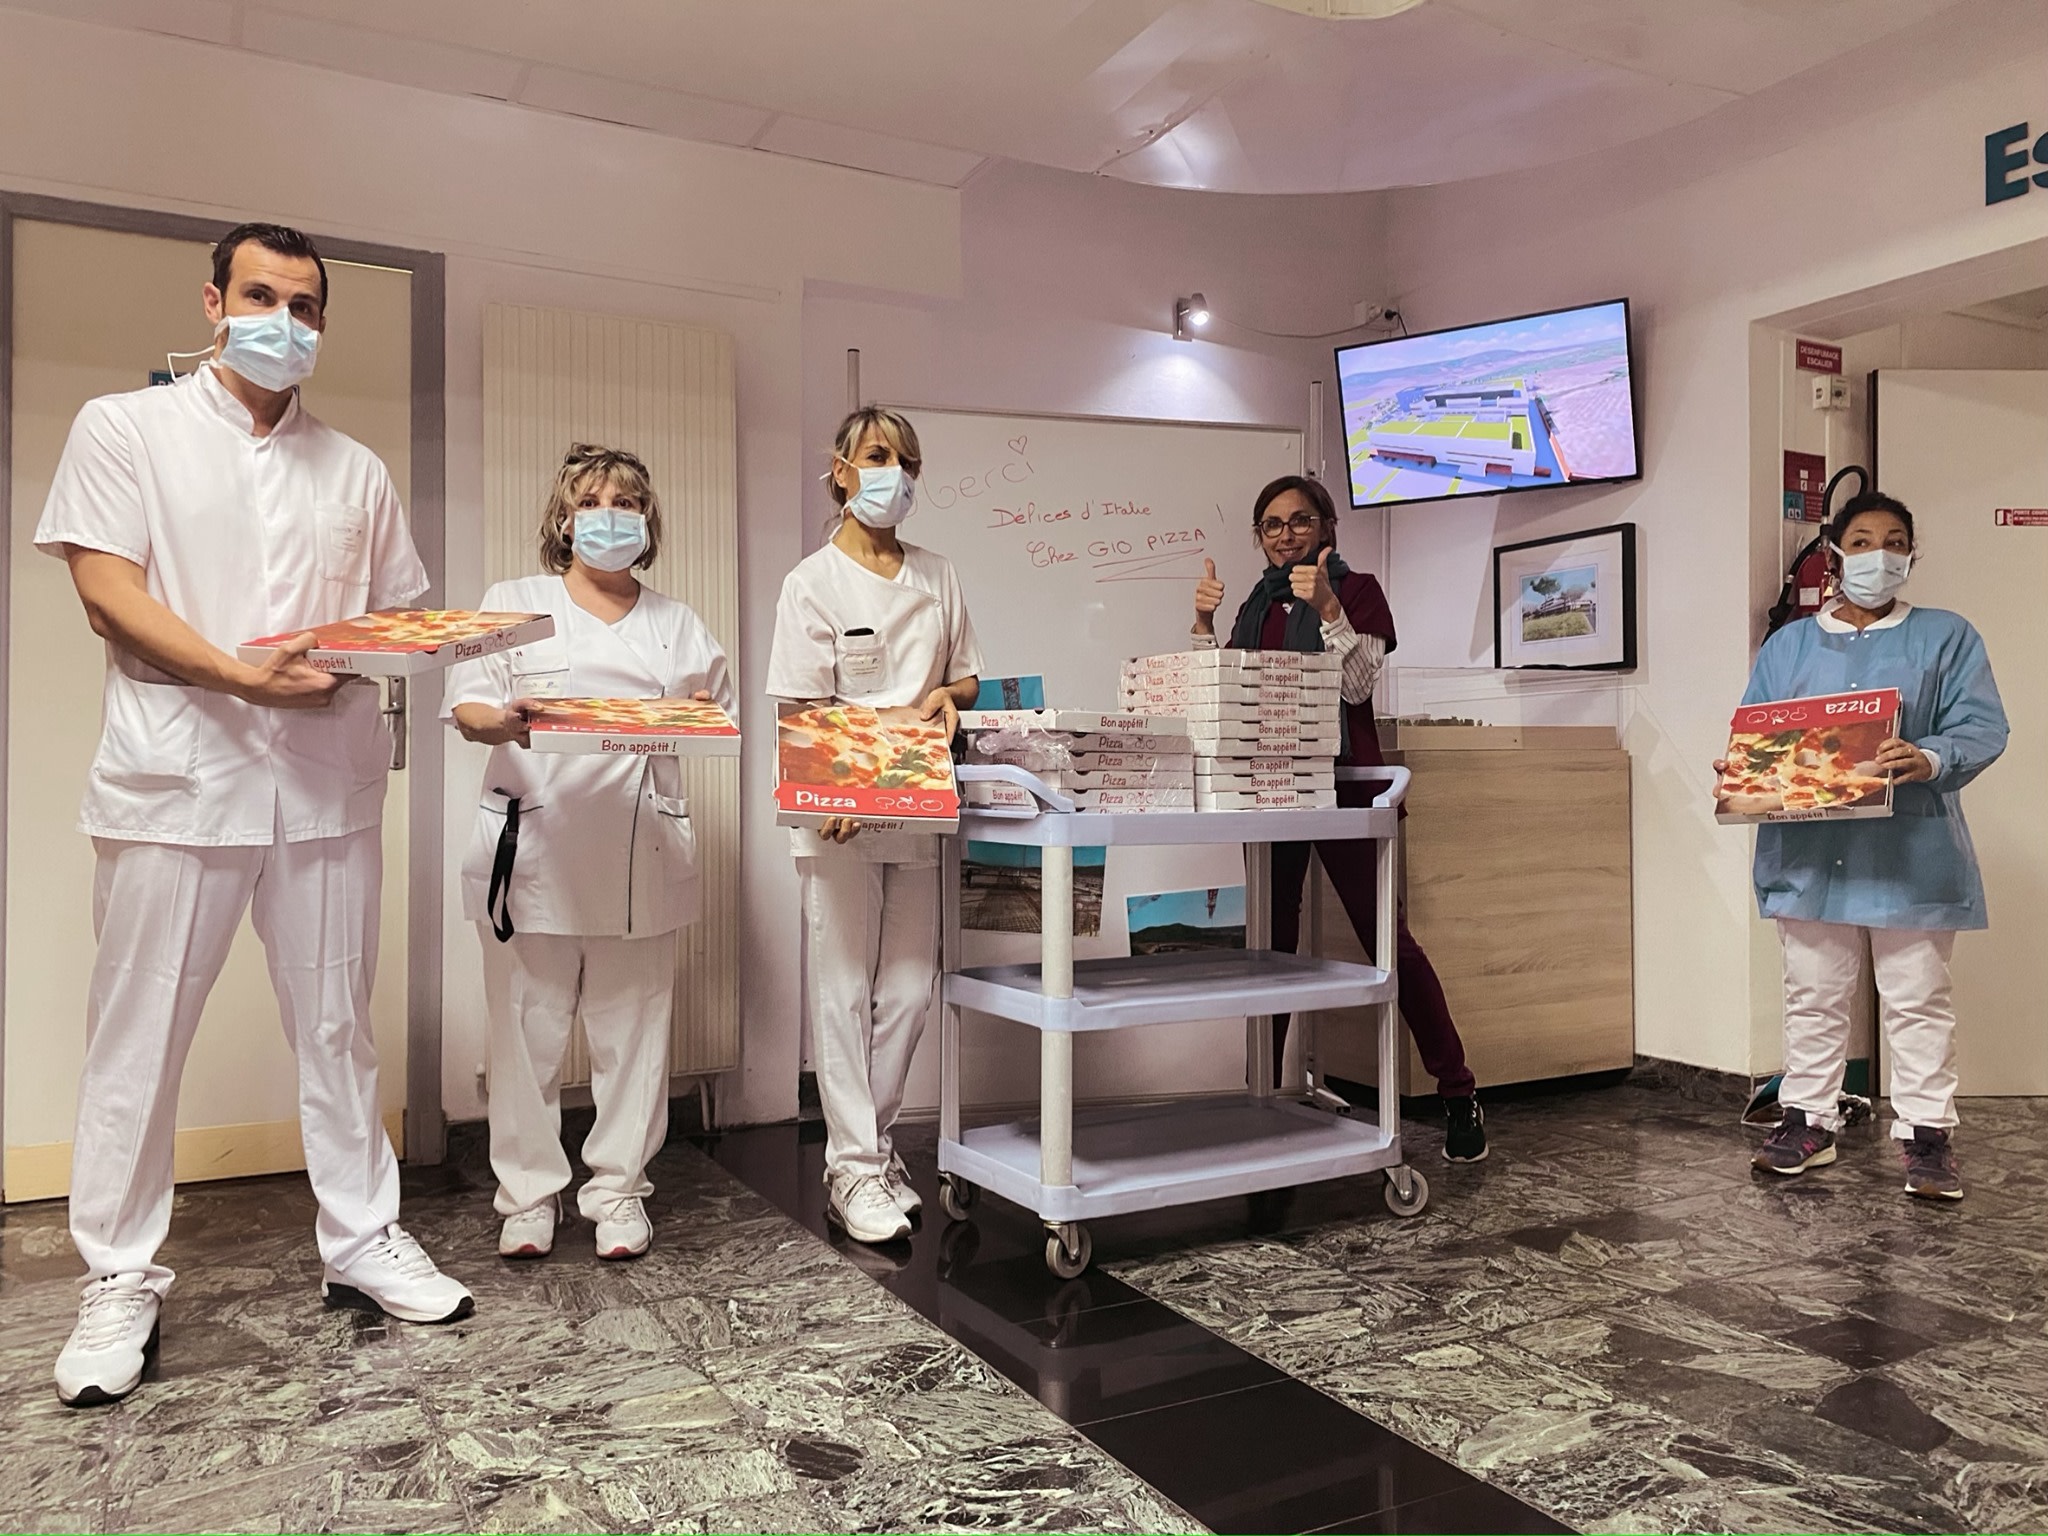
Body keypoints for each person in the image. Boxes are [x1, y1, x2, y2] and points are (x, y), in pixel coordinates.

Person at [34, 222, 470, 1408]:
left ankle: (362, 1238)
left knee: (338, 1027)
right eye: (262, 296)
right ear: (214, 302)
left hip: (325, 784)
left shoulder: (356, 469)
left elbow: (392, 619)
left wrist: (448, 649)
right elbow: (104, 591)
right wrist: (238, 676)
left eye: (305, 305)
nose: (284, 321)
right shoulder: (127, 429)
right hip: (179, 781)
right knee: (137, 1040)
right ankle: (119, 1276)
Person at [448, 444, 734, 1261]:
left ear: (647, 522)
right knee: (525, 1035)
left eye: (627, 503)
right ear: (565, 521)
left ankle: (618, 1192)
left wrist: (694, 716)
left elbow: (712, 718)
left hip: (641, 855)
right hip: (533, 851)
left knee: (633, 1038)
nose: (610, 516)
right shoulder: (514, 603)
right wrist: (508, 722)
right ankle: (529, 1198)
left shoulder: (679, 624)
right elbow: (468, 709)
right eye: (592, 502)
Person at [1193, 473, 1487, 1162]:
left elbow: (1356, 688)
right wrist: (1203, 627)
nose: (1286, 535)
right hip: (1271, 793)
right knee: (1269, 949)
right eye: (1271, 525)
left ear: (1327, 527)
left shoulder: (1358, 590)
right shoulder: (1257, 604)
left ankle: (1458, 1091)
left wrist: (1327, 607)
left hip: (1346, 789)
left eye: (1300, 520)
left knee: (1389, 942)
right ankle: (1262, 1095)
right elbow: (1226, 696)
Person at [1723, 491, 2006, 1200]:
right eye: (1863, 541)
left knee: (1917, 998)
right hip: (1808, 856)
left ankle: (1927, 1135)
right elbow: (1759, 730)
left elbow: (1980, 726)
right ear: (1834, 553)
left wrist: (1931, 756)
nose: (1880, 555)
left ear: (1911, 554)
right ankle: (1807, 1120)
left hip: (1910, 854)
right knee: (1812, 995)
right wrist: (1744, 770)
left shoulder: (1946, 636)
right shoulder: (1788, 646)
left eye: (1895, 542)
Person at [766, 407, 982, 1244]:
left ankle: (872, 1149)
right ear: (842, 470)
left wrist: (947, 697)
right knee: (844, 990)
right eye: (878, 456)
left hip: (919, 804)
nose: (894, 473)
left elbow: (964, 678)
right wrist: (834, 792)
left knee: (911, 991)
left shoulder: (939, 574)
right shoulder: (812, 581)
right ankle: (853, 1169)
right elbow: (799, 707)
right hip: (840, 816)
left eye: (905, 461)